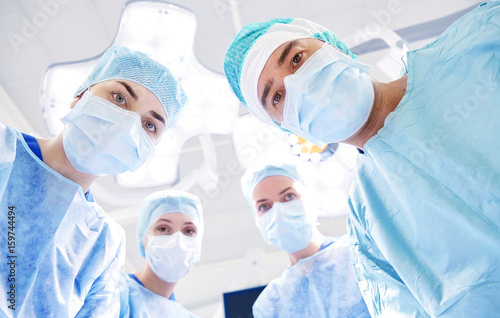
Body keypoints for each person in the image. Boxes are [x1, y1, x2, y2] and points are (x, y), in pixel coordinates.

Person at [224, 2, 500, 317]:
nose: (297, 85)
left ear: (329, 43)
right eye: (277, 97)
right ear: (287, 127)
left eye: (297, 58)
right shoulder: (369, 226)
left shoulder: (480, 41)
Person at [0, 46, 188, 317]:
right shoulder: (5, 150)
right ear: (80, 96)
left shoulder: (104, 242)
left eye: (150, 125)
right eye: (119, 98)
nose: (127, 124)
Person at [241, 162, 369, 318]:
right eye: (264, 206)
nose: (279, 212)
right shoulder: (270, 305)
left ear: (311, 200)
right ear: (258, 221)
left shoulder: (360, 254)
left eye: (289, 196)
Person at [119, 189, 203, 318]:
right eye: (163, 228)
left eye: (189, 231)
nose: (178, 241)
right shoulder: (112, 292)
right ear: (144, 238)